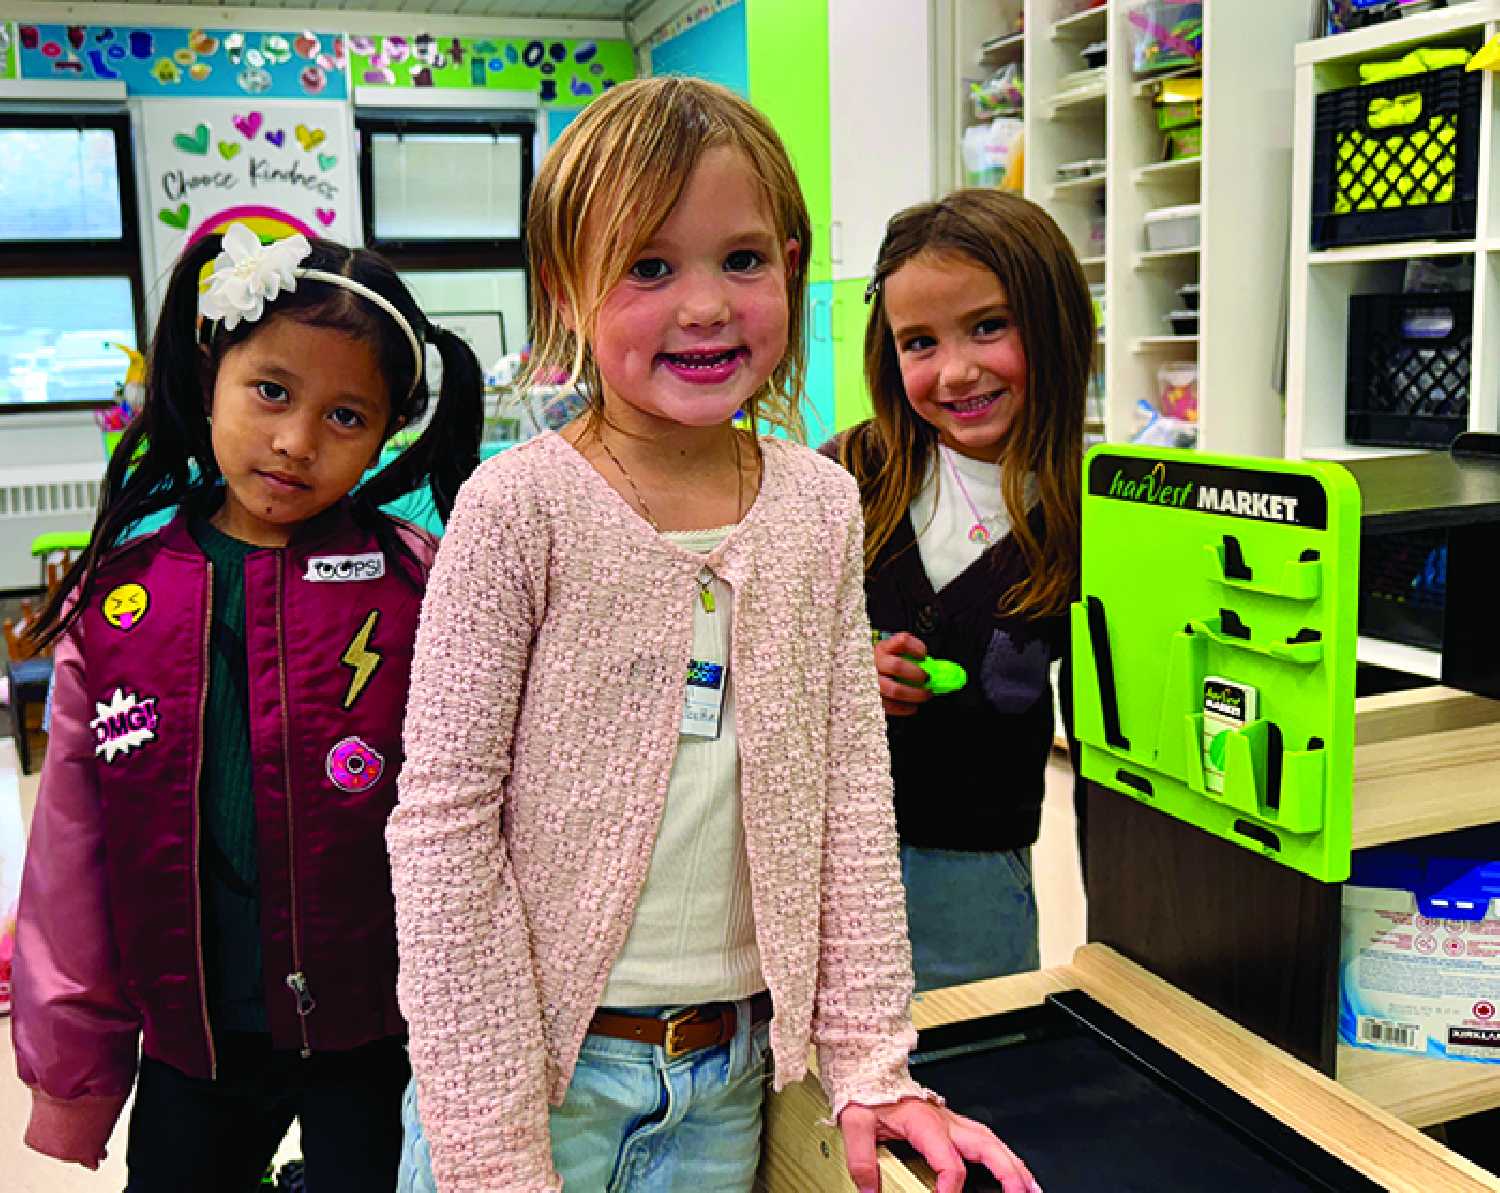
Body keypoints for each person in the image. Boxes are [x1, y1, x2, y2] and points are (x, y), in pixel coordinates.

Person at [389, 78, 1042, 1193]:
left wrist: (871, 1062)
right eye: (649, 267)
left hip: (730, 1079)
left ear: (789, 265)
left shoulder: (818, 504)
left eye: (741, 260)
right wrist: (491, 1144)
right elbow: (445, 826)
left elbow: (848, 790)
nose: (705, 306)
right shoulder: (516, 508)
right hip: (538, 1083)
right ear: (567, 288)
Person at [12, 222, 484, 1192]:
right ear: (209, 376)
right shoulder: (121, 599)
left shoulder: (422, 583)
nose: (297, 441)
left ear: (388, 429)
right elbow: (70, 850)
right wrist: (73, 1069)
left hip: (379, 1032)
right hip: (194, 1039)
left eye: (346, 414)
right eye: (271, 390)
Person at [830, 190, 1091, 992]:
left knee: (974, 1053)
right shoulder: (842, 475)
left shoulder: (1090, 513)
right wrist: (840, 672)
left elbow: (1118, 747)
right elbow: (752, 644)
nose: (955, 370)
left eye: (988, 326)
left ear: (1053, 322)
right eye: (920, 342)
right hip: (824, 856)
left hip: (977, 875)